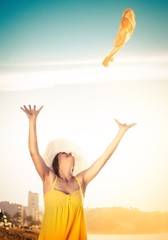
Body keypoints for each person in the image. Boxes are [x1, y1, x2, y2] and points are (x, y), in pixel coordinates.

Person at [21, 105, 136, 240]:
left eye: (70, 153)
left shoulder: (81, 180)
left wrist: (121, 132)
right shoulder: (49, 178)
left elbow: (104, 158)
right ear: (56, 162)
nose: (69, 153)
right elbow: (34, 153)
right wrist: (32, 121)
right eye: (64, 153)